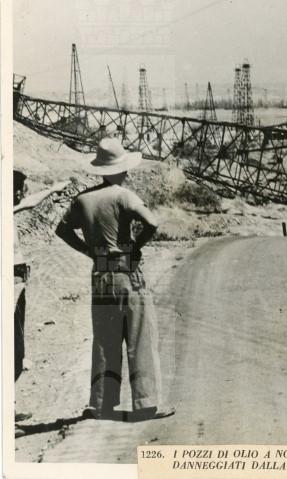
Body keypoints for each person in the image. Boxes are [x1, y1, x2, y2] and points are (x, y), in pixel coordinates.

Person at [55, 139, 174, 421]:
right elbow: (152, 223)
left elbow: (62, 230)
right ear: (120, 169)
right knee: (139, 338)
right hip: (126, 272)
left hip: (100, 272)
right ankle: (145, 403)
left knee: (104, 341)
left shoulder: (83, 200)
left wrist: (88, 250)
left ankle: (101, 404)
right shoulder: (124, 196)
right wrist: (135, 247)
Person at [14, 170, 69, 437]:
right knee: (11, 348)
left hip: (17, 280)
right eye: (19, 188)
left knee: (16, 348)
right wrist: (53, 189)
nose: (22, 193)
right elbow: (29, 202)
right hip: (11, 283)